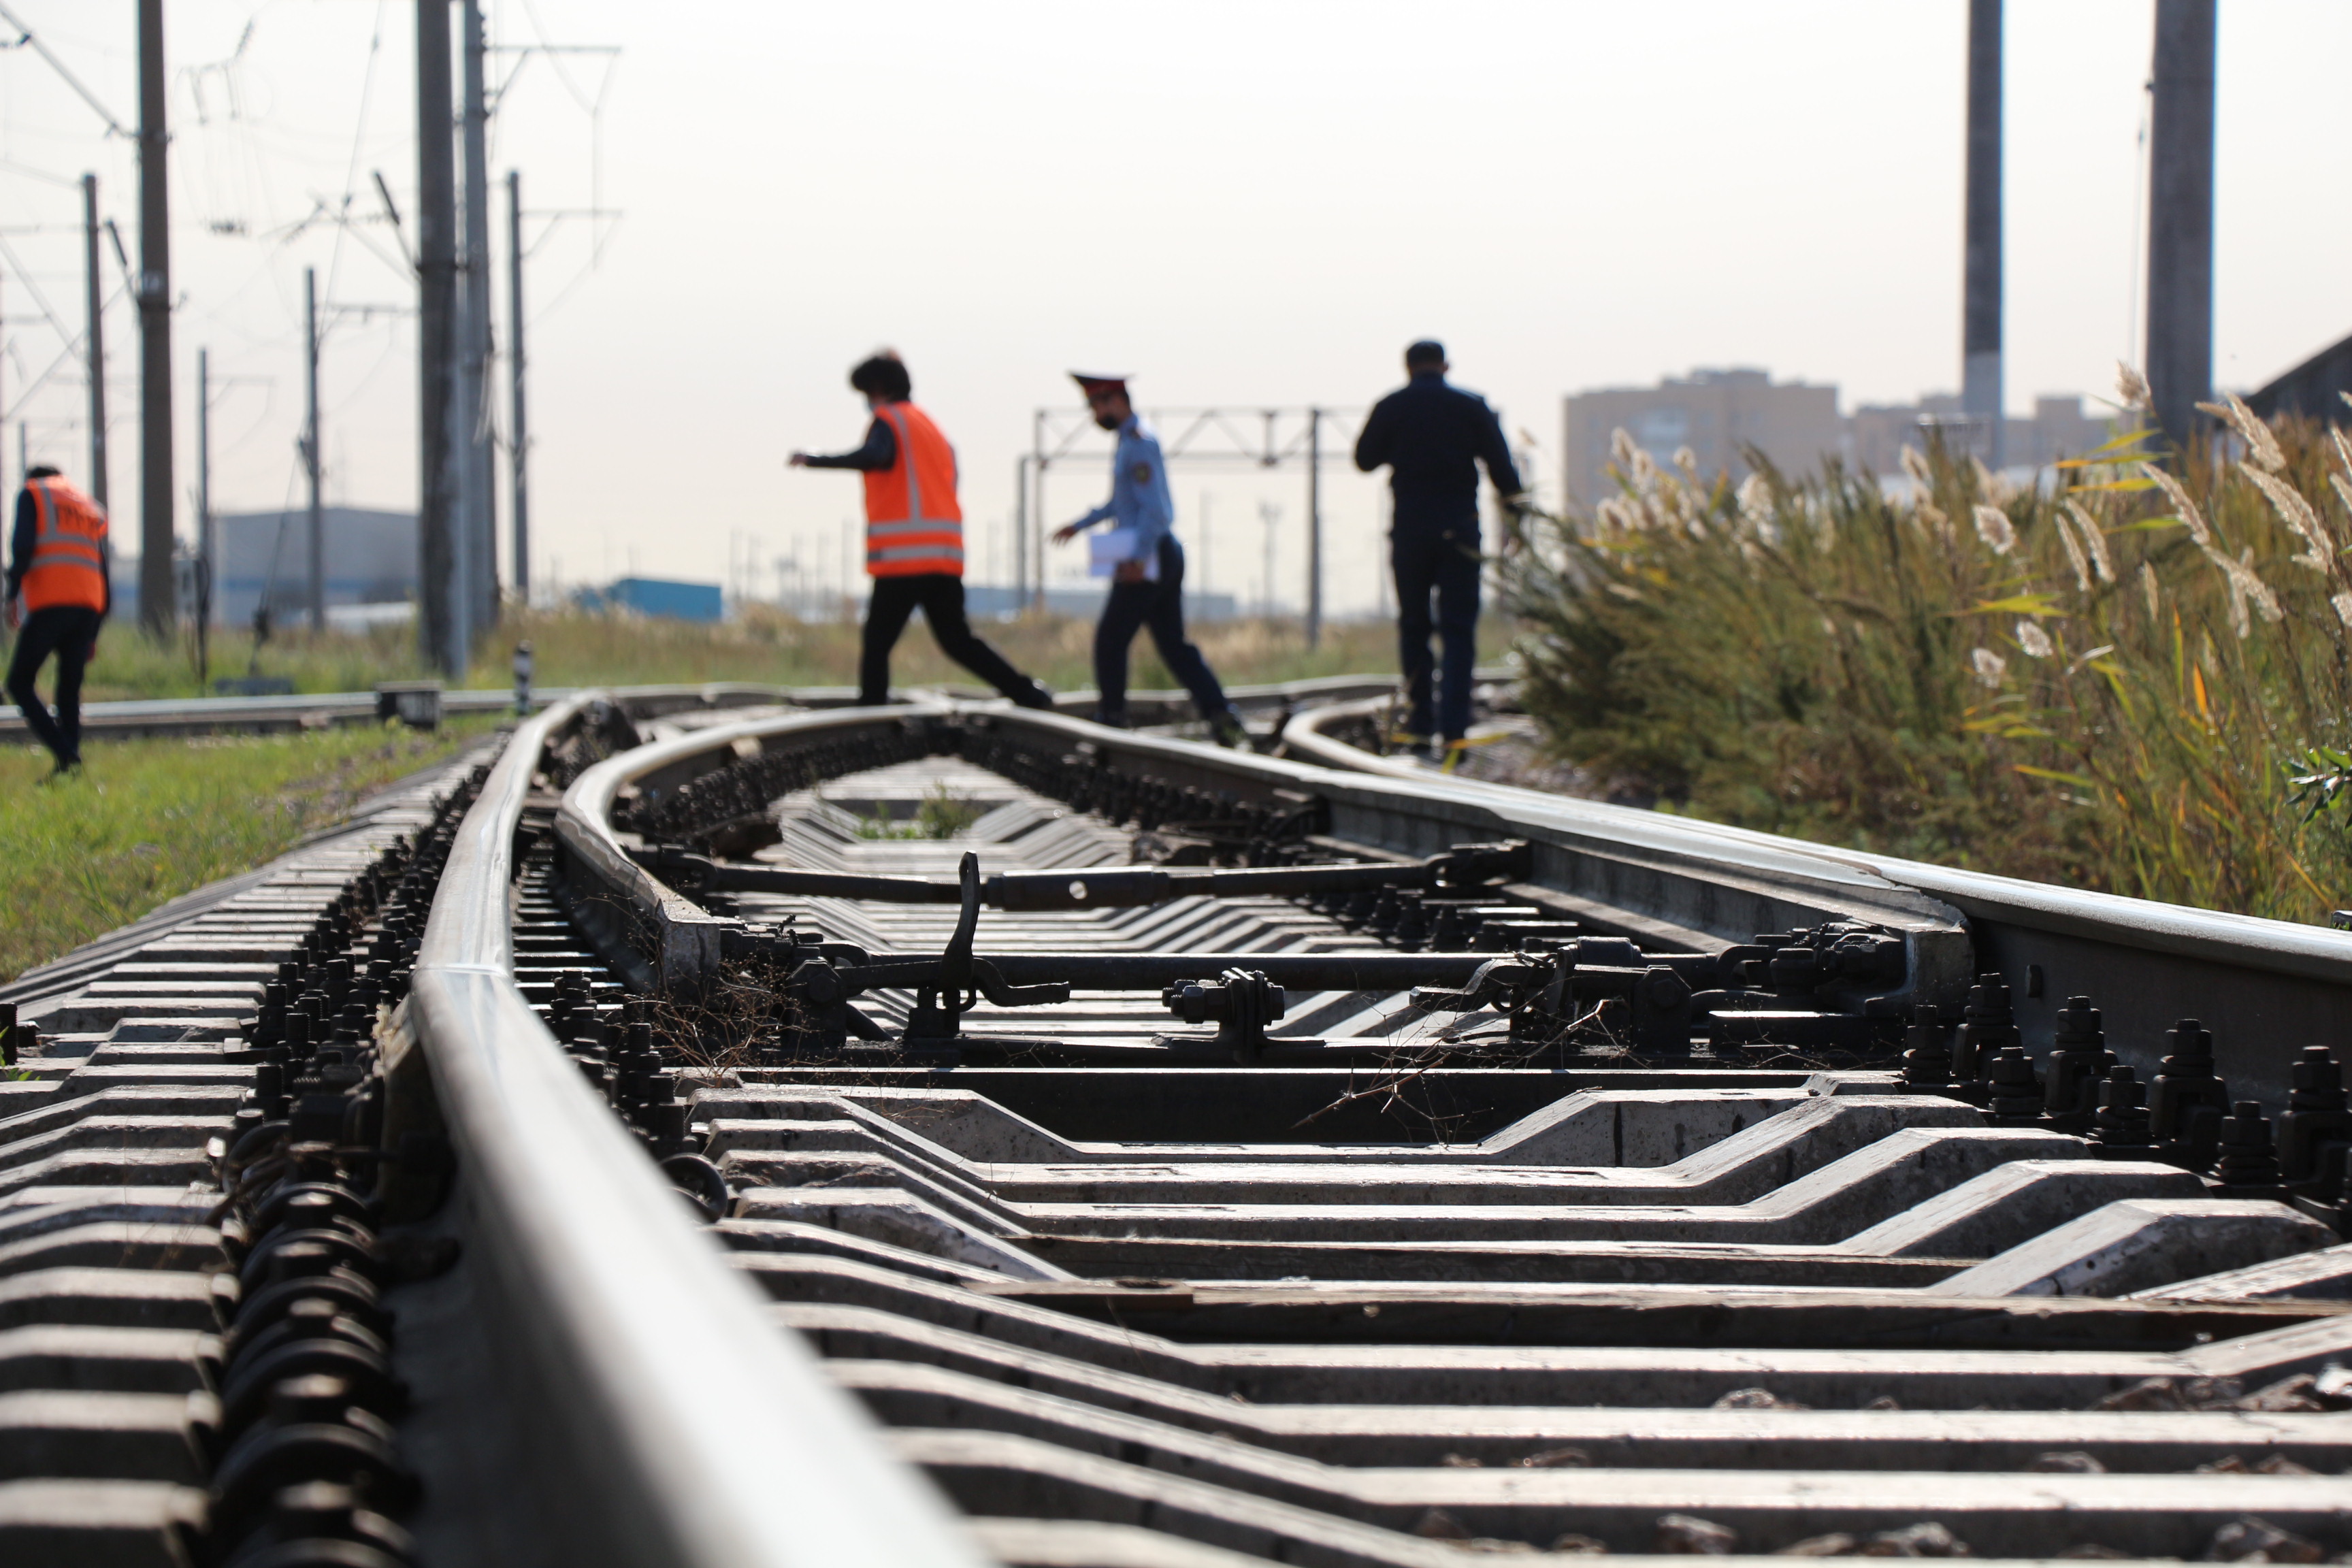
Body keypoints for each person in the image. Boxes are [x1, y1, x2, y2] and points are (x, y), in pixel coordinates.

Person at [791, 351, 1054, 711]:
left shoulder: (890, 421)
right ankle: (1028, 694)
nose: (866, 402)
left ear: (878, 388)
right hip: (944, 556)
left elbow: (875, 456)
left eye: (866, 393)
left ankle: (870, 713)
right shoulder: (930, 427)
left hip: (905, 559)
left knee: (878, 642)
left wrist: (816, 459)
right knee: (958, 642)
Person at [1051, 373, 1246, 746]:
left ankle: (1111, 723)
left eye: (1097, 404)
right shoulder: (1129, 441)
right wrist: (1080, 524)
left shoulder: (1139, 443)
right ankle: (1222, 718)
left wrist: (1139, 559)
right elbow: (1122, 503)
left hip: (1151, 555)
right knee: (1174, 646)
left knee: (1110, 640)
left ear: (1117, 400)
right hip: (1159, 553)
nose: (1094, 414)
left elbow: (1156, 512)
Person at [1353, 340, 1524, 760]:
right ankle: (1453, 733)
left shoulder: (1391, 406)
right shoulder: (1471, 406)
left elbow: (1364, 459)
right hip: (1460, 532)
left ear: (1407, 367)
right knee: (1458, 630)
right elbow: (1503, 470)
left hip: (1410, 530)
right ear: (1446, 366)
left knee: (1414, 626)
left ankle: (1419, 727)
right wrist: (1517, 521)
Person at [4, 464, 110, 780]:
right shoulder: (83, 505)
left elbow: (22, 547)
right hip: (88, 605)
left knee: (18, 683)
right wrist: (95, 628)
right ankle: (68, 768)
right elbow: (100, 566)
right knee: (68, 691)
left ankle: (66, 754)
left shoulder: (33, 494)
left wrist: (11, 596)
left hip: (53, 603)